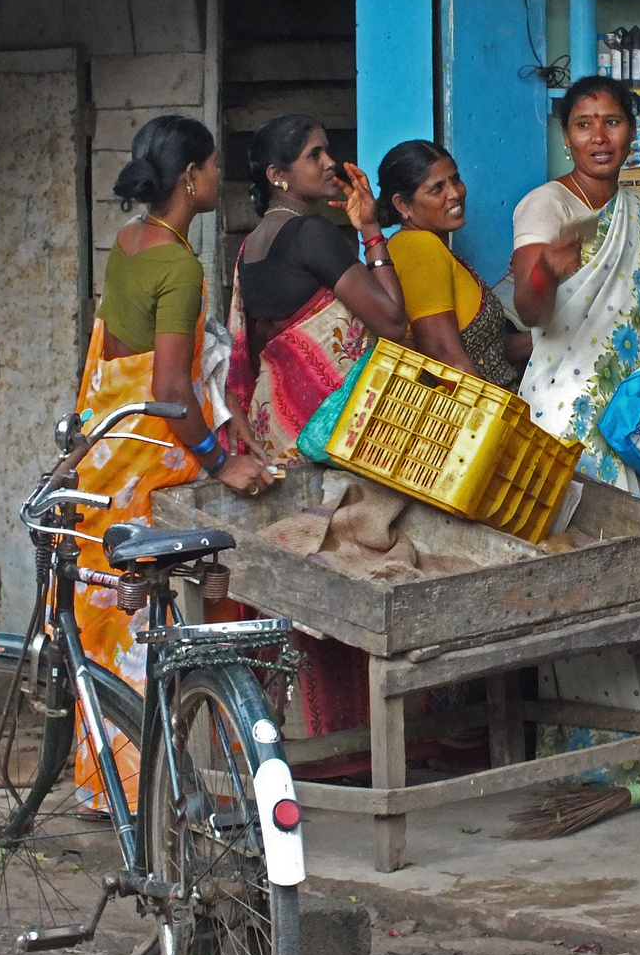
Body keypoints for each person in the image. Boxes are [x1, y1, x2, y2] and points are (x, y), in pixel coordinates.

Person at [74, 115, 273, 804]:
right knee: (141, 628)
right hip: (149, 463)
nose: (221, 177)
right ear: (191, 178)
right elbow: (168, 390)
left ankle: (111, 788)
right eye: (214, 166)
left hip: (106, 453)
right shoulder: (178, 265)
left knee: (103, 625)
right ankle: (146, 797)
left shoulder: (128, 243)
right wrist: (222, 461)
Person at [225, 114, 408, 468]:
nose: (330, 163)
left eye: (327, 151)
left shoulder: (251, 244)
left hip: (275, 423)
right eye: (314, 155)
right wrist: (370, 230)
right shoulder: (311, 232)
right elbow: (393, 322)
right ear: (277, 175)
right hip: (325, 430)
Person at [510, 76, 640, 492]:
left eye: (612, 122)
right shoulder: (548, 205)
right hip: (566, 405)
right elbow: (530, 312)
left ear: (631, 131)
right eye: (583, 125)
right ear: (566, 136)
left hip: (631, 415)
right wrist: (545, 269)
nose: (599, 137)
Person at [380, 140, 524, 388]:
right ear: (403, 205)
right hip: (467, 420)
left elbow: (485, 351)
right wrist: (490, 417)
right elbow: (441, 353)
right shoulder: (419, 247)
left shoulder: (430, 247)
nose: (455, 193)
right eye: (437, 188)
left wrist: (549, 341)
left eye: (455, 179)